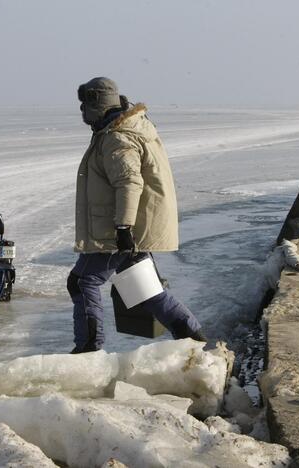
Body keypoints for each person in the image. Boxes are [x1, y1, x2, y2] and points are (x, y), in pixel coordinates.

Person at [68, 77, 206, 353]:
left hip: (116, 229)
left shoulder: (117, 138)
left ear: (96, 104)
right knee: (145, 289)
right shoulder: (128, 128)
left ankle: (88, 351)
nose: (81, 111)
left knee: (83, 281)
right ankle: (195, 341)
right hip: (129, 228)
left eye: (85, 104)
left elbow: (129, 183)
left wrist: (123, 228)